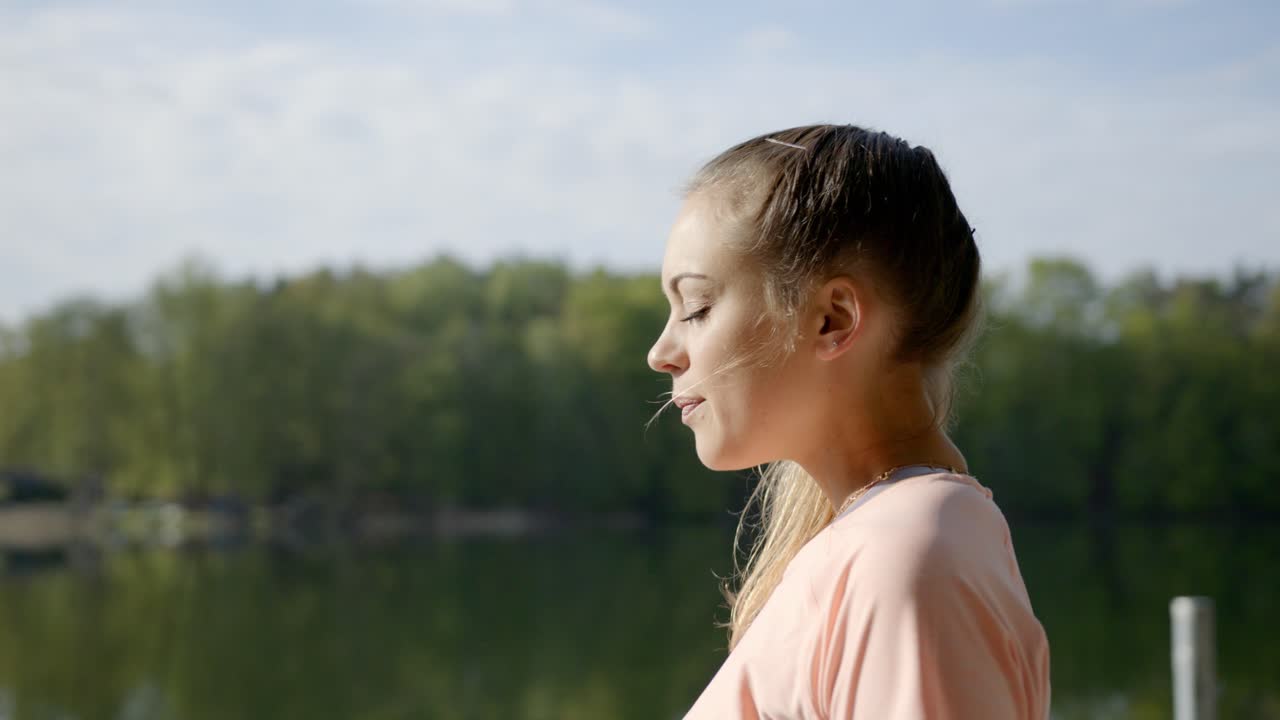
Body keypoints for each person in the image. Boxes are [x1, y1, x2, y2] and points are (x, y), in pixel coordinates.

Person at [646, 124, 1052, 719]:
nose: (661, 352)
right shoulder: (892, 544)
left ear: (833, 319)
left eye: (698, 308)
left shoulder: (906, 558)